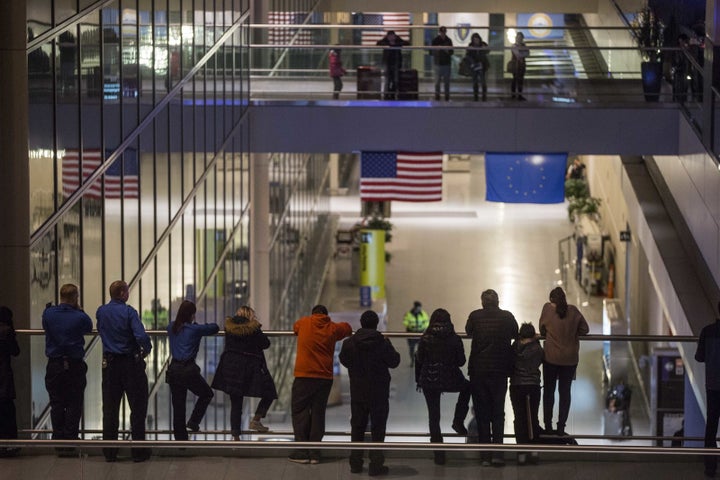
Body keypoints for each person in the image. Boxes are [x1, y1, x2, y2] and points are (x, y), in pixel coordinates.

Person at [96, 280, 152, 463]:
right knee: (137, 407)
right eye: (127, 291)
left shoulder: (101, 311)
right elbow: (141, 336)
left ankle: (110, 453)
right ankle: (138, 452)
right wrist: (147, 348)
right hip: (130, 365)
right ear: (121, 293)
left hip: (110, 365)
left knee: (110, 409)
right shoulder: (129, 312)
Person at [339, 310, 400, 475]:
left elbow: (344, 360)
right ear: (376, 324)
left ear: (361, 323)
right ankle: (376, 465)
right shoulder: (383, 343)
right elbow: (395, 362)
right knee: (378, 428)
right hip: (379, 392)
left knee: (357, 426)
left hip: (358, 391)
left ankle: (356, 463)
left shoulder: (349, 343)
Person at [289, 304, 351, 464]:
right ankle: (315, 453)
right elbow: (347, 328)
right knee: (318, 412)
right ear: (325, 315)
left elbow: (295, 327)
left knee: (300, 411)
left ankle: (302, 451)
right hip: (324, 378)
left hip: (303, 376)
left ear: (312, 314)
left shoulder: (303, 323)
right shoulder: (332, 328)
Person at [465, 289, 518, 467]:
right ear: (498, 301)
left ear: (482, 302)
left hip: (479, 372)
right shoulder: (507, 317)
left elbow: (468, 331)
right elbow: (515, 333)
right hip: (500, 371)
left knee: (482, 413)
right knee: (498, 413)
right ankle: (498, 454)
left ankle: (485, 456)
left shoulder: (475, 316)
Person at [211, 305, 278, 439]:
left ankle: (236, 437)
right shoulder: (253, 328)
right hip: (249, 368)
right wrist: (257, 327)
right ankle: (256, 419)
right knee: (269, 391)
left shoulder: (229, 327)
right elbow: (266, 344)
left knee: (236, 403)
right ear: (250, 315)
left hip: (230, 367)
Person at [415, 308, 471, 466]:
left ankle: (439, 454)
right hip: (449, 378)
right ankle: (458, 421)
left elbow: (419, 358)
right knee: (467, 388)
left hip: (429, 380)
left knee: (434, 417)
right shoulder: (454, 338)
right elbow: (461, 362)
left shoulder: (425, 338)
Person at [42, 284, 93, 455]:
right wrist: (79, 309)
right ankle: (70, 439)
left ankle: (58, 440)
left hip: (54, 364)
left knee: (56, 403)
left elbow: (46, 326)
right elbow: (88, 327)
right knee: (74, 402)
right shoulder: (80, 317)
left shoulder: (48, 313)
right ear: (75, 297)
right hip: (74, 365)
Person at [539, 286, 589, 436]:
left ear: (551, 300)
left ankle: (548, 426)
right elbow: (585, 329)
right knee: (565, 392)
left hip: (551, 358)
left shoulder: (547, 309)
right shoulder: (573, 311)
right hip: (570, 359)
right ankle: (561, 427)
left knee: (549, 391)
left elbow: (541, 329)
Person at [166, 300, 219, 440]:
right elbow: (215, 327)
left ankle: (180, 441)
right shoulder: (194, 330)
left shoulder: (171, 327)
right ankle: (194, 422)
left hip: (174, 370)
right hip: (188, 370)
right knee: (207, 394)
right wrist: (196, 325)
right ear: (191, 315)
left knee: (178, 407)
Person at [509, 322, 543, 465]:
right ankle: (534, 451)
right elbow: (541, 361)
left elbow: (509, 363)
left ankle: (521, 453)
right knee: (533, 417)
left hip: (517, 386)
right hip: (533, 386)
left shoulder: (514, 347)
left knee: (519, 418)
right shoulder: (537, 348)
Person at [695, 301, 720, 478]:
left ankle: (710, 467)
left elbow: (699, 357)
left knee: (711, 426)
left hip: (713, 386)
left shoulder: (707, 331)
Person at [0, 306, 20, 457]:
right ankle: (10, 445)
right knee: (7, 410)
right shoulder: (6, 331)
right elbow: (15, 351)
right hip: (3, 374)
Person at [376, 30, 410, 100]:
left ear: (394, 36)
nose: (391, 38)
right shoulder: (385, 41)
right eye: (389, 36)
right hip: (387, 62)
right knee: (387, 80)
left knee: (395, 80)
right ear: (387, 36)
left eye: (392, 36)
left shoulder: (398, 40)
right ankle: (386, 95)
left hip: (396, 62)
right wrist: (386, 43)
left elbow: (407, 43)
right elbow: (378, 43)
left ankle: (393, 94)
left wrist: (397, 42)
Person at [403, 301, 429, 366]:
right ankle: (412, 360)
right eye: (418, 307)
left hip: (420, 333)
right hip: (411, 333)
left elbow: (427, 322)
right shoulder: (408, 314)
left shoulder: (423, 314)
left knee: (421, 347)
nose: (419, 309)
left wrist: (423, 327)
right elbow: (405, 322)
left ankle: (420, 360)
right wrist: (410, 326)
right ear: (415, 307)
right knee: (411, 348)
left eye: (420, 307)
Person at [431, 26, 454, 101]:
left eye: (444, 32)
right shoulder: (435, 40)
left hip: (446, 63)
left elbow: (451, 52)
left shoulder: (449, 40)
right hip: (438, 63)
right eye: (441, 32)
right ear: (439, 32)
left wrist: (447, 50)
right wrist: (437, 49)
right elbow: (431, 52)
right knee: (437, 82)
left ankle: (447, 97)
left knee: (446, 82)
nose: (443, 34)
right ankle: (437, 96)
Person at [466, 33, 489, 101]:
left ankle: (484, 96)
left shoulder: (483, 44)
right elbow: (468, 55)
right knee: (475, 82)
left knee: (483, 82)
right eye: (474, 40)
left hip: (482, 65)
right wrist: (472, 63)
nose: (476, 41)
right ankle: (475, 96)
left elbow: (488, 51)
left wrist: (484, 48)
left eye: (477, 39)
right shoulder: (471, 45)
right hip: (474, 66)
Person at [510, 32, 530, 100]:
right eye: (518, 37)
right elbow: (518, 54)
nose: (519, 39)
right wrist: (523, 53)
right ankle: (513, 95)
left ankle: (519, 95)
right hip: (515, 65)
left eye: (520, 38)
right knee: (515, 79)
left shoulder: (524, 45)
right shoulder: (514, 46)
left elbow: (527, 53)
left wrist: (521, 53)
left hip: (522, 65)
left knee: (521, 80)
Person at [671, 34, 691, 103]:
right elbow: (676, 60)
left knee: (684, 85)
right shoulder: (677, 50)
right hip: (679, 70)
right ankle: (677, 99)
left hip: (683, 70)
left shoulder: (686, 50)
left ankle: (682, 99)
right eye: (684, 41)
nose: (686, 43)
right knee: (678, 85)